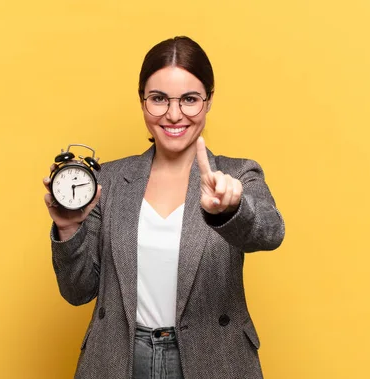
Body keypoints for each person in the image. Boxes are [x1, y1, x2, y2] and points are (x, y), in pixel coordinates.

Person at [43, 36, 285, 379]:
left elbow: (271, 232)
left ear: (209, 100)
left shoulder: (236, 174)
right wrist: (68, 228)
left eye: (189, 99)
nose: (174, 114)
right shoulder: (108, 180)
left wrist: (232, 210)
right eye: (158, 99)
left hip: (212, 357)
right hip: (121, 359)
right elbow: (77, 291)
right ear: (142, 100)